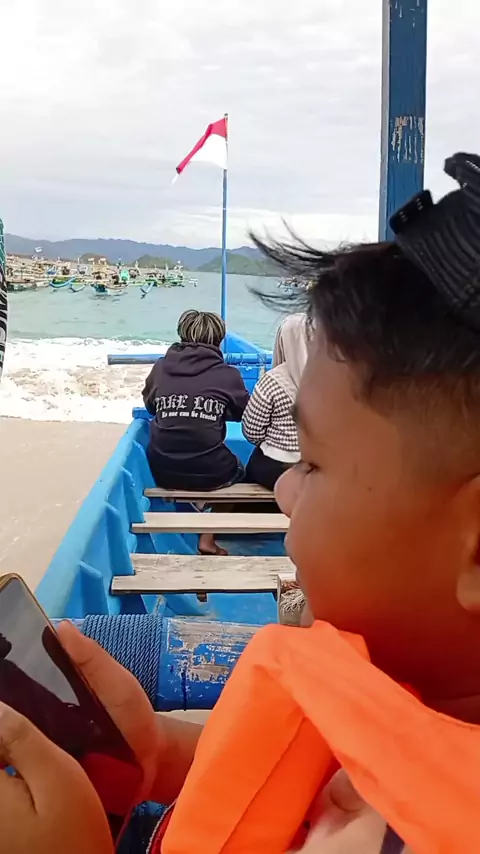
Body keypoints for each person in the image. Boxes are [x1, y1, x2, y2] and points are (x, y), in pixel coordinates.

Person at [5, 152, 480, 853]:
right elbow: (298, 789)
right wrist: (157, 754)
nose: (284, 488)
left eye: (312, 463)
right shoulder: (403, 700)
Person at [142, 309, 249, 555]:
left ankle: (194, 511)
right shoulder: (227, 374)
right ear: (218, 340)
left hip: (162, 468)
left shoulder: (160, 368)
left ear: (182, 335)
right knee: (240, 471)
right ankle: (207, 537)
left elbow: (150, 406)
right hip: (211, 470)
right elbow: (242, 412)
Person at [242, 313, 309, 490]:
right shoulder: (332, 379)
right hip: (316, 468)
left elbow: (251, 431)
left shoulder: (273, 381)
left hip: (275, 468)